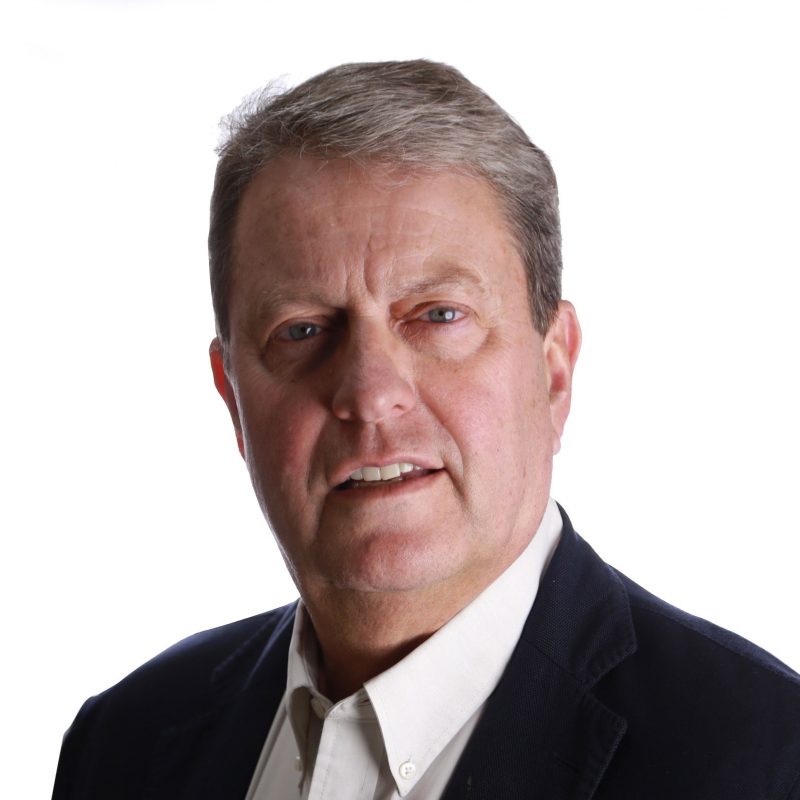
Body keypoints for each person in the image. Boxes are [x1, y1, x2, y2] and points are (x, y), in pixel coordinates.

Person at [53, 60, 800, 799]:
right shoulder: (122, 747)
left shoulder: (766, 761)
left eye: (439, 315)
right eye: (303, 329)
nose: (370, 394)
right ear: (233, 399)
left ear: (555, 372)